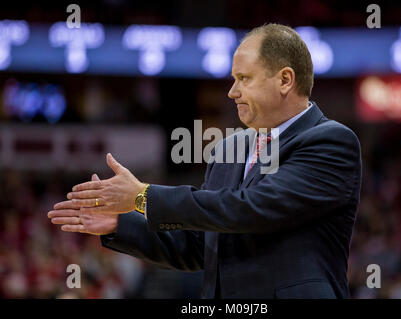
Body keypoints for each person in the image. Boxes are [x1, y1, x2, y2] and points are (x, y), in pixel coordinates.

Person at [48, 23, 362, 298]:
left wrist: (143, 196)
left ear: (284, 80)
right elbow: (200, 246)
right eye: (233, 79)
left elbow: (251, 208)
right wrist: (120, 223)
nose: (232, 91)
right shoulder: (229, 150)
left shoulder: (331, 142)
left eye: (244, 78)